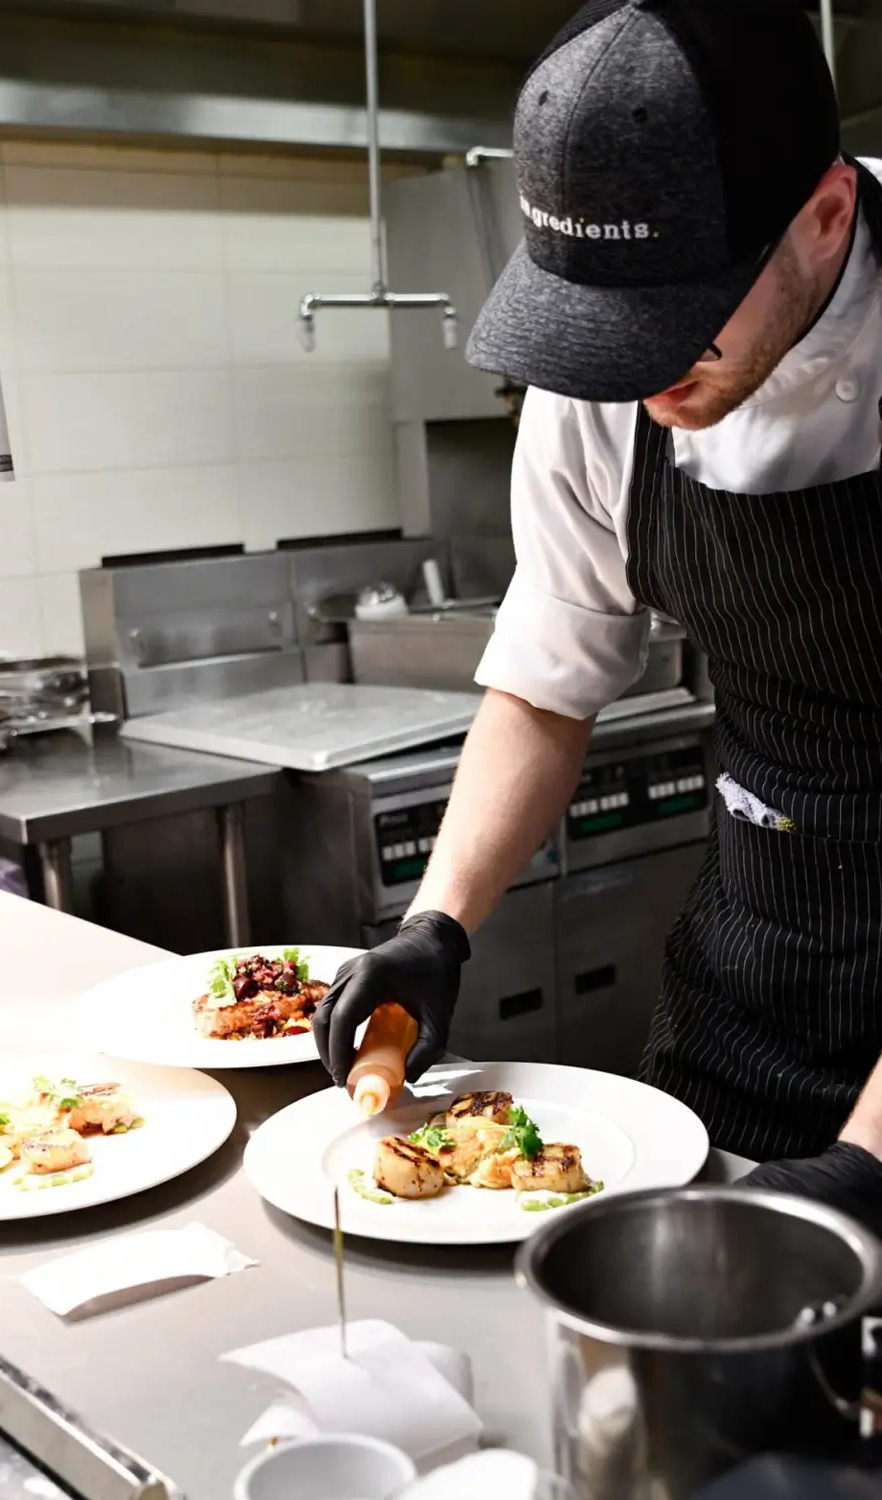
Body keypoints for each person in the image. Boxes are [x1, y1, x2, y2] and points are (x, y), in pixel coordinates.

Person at [313, 0, 882, 1230]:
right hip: (755, 961)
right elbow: (547, 676)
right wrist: (437, 927)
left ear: (826, 213)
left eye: (678, 320)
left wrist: (873, 1163)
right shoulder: (616, 366)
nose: (637, 366)